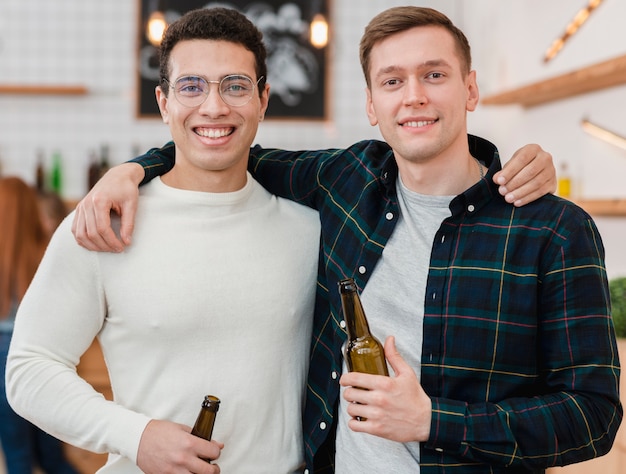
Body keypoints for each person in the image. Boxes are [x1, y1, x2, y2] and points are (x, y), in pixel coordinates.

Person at [6, 8, 320, 473]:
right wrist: (136, 436)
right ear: (163, 101)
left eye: (235, 86)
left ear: (263, 98)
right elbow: (29, 369)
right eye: (191, 86)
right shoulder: (104, 223)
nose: (214, 107)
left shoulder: (309, 230)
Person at [0, 177, 78, 474]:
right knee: (51, 455)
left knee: (17, 454)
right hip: (44, 355)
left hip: (4, 357)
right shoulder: (47, 249)